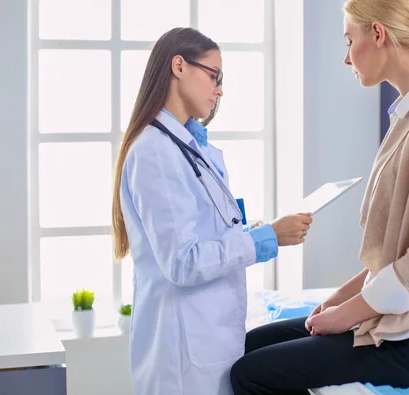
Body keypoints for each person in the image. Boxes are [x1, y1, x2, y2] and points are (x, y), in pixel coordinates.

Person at [229, 0, 409, 393]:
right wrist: (337, 300)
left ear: (377, 34)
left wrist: (346, 316)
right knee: (252, 344)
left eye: (348, 40)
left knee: (250, 373)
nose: (345, 57)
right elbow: (396, 250)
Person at [111, 27, 313, 395]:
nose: (219, 89)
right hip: (184, 356)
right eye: (214, 76)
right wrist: (267, 239)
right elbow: (183, 261)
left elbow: (203, 231)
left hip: (209, 340)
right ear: (179, 66)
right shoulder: (155, 152)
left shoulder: (188, 146)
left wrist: (248, 232)